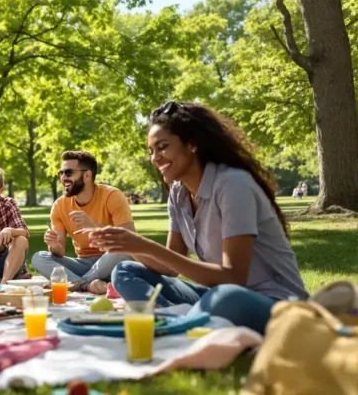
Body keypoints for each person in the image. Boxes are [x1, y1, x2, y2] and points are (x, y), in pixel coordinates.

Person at [88, 101, 308, 334]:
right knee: (124, 271)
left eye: (162, 147)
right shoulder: (178, 192)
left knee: (225, 297)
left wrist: (145, 245)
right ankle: (179, 321)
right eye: (151, 151)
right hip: (217, 293)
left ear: (192, 144)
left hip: (276, 304)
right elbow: (170, 266)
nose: (155, 158)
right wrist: (128, 244)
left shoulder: (233, 184)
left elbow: (234, 277)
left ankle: (174, 323)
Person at [31, 151, 135, 295]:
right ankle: (88, 284)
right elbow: (59, 252)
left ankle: (74, 284)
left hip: (112, 260)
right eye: (61, 173)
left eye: (68, 173)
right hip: (84, 264)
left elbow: (130, 239)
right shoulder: (60, 205)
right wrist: (54, 244)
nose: (63, 178)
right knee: (39, 257)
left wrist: (93, 226)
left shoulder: (112, 196)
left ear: (87, 175)